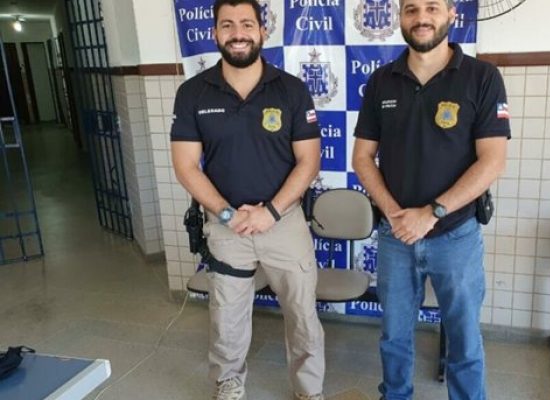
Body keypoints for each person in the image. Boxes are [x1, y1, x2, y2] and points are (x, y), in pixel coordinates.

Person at [352, 0, 510, 398]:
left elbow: (492, 161)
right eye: (411, 9)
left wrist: (433, 212)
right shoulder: (381, 81)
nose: (421, 17)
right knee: (394, 337)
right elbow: (362, 157)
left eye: (432, 7)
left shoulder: (482, 77)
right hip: (395, 236)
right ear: (400, 17)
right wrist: (393, 212)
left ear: (451, 13)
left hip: (455, 236)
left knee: (464, 340)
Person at [170, 1, 325, 399]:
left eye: (246, 24)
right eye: (227, 25)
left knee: (303, 316)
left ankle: (308, 390)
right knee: (226, 317)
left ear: (262, 31)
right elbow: (187, 166)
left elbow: (309, 161)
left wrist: (271, 212)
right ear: (214, 33)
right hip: (227, 225)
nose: (237, 33)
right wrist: (225, 213)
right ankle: (229, 384)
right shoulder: (192, 92)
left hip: (284, 222)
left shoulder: (291, 89)